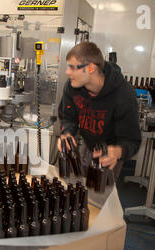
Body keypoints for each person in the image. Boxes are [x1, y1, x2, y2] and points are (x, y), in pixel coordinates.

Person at [57, 42, 141, 180]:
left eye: (73, 67)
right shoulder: (72, 87)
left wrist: (119, 151)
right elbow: (68, 117)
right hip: (87, 144)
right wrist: (67, 133)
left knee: (100, 195)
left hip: (109, 154)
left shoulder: (123, 95)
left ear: (91, 68)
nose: (67, 72)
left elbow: (132, 140)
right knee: (80, 189)